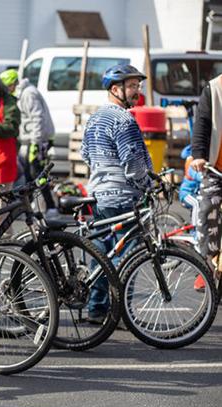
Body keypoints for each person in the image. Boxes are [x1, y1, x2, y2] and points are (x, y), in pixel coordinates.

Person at [82, 64, 152, 321]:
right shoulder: (124, 120)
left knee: (102, 251)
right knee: (129, 255)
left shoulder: (95, 117)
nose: (137, 91)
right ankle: (120, 310)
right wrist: (148, 185)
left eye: (138, 85)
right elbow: (133, 164)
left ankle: (96, 308)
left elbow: (85, 154)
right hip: (123, 196)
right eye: (132, 86)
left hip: (100, 195)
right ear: (115, 89)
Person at [1, 68, 56, 210]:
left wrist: (35, 143)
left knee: (37, 173)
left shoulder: (28, 94)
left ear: (12, 84)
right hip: (29, 140)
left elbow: (38, 118)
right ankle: (32, 206)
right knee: (29, 175)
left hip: (37, 141)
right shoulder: (21, 94)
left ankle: (50, 206)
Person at [189, 72, 222, 278]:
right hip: (216, 169)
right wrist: (198, 155)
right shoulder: (214, 88)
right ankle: (206, 267)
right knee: (207, 211)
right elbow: (202, 123)